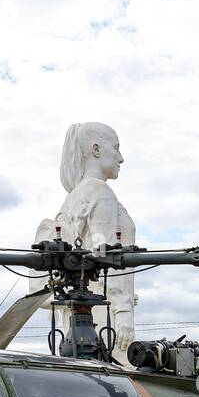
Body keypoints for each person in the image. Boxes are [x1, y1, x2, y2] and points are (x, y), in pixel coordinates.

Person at [37, 123, 137, 361]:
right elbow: (108, 256)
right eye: (116, 148)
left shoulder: (75, 196)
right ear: (96, 150)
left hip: (79, 315)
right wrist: (123, 311)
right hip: (104, 313)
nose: (121, 158)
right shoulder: (100, 192)